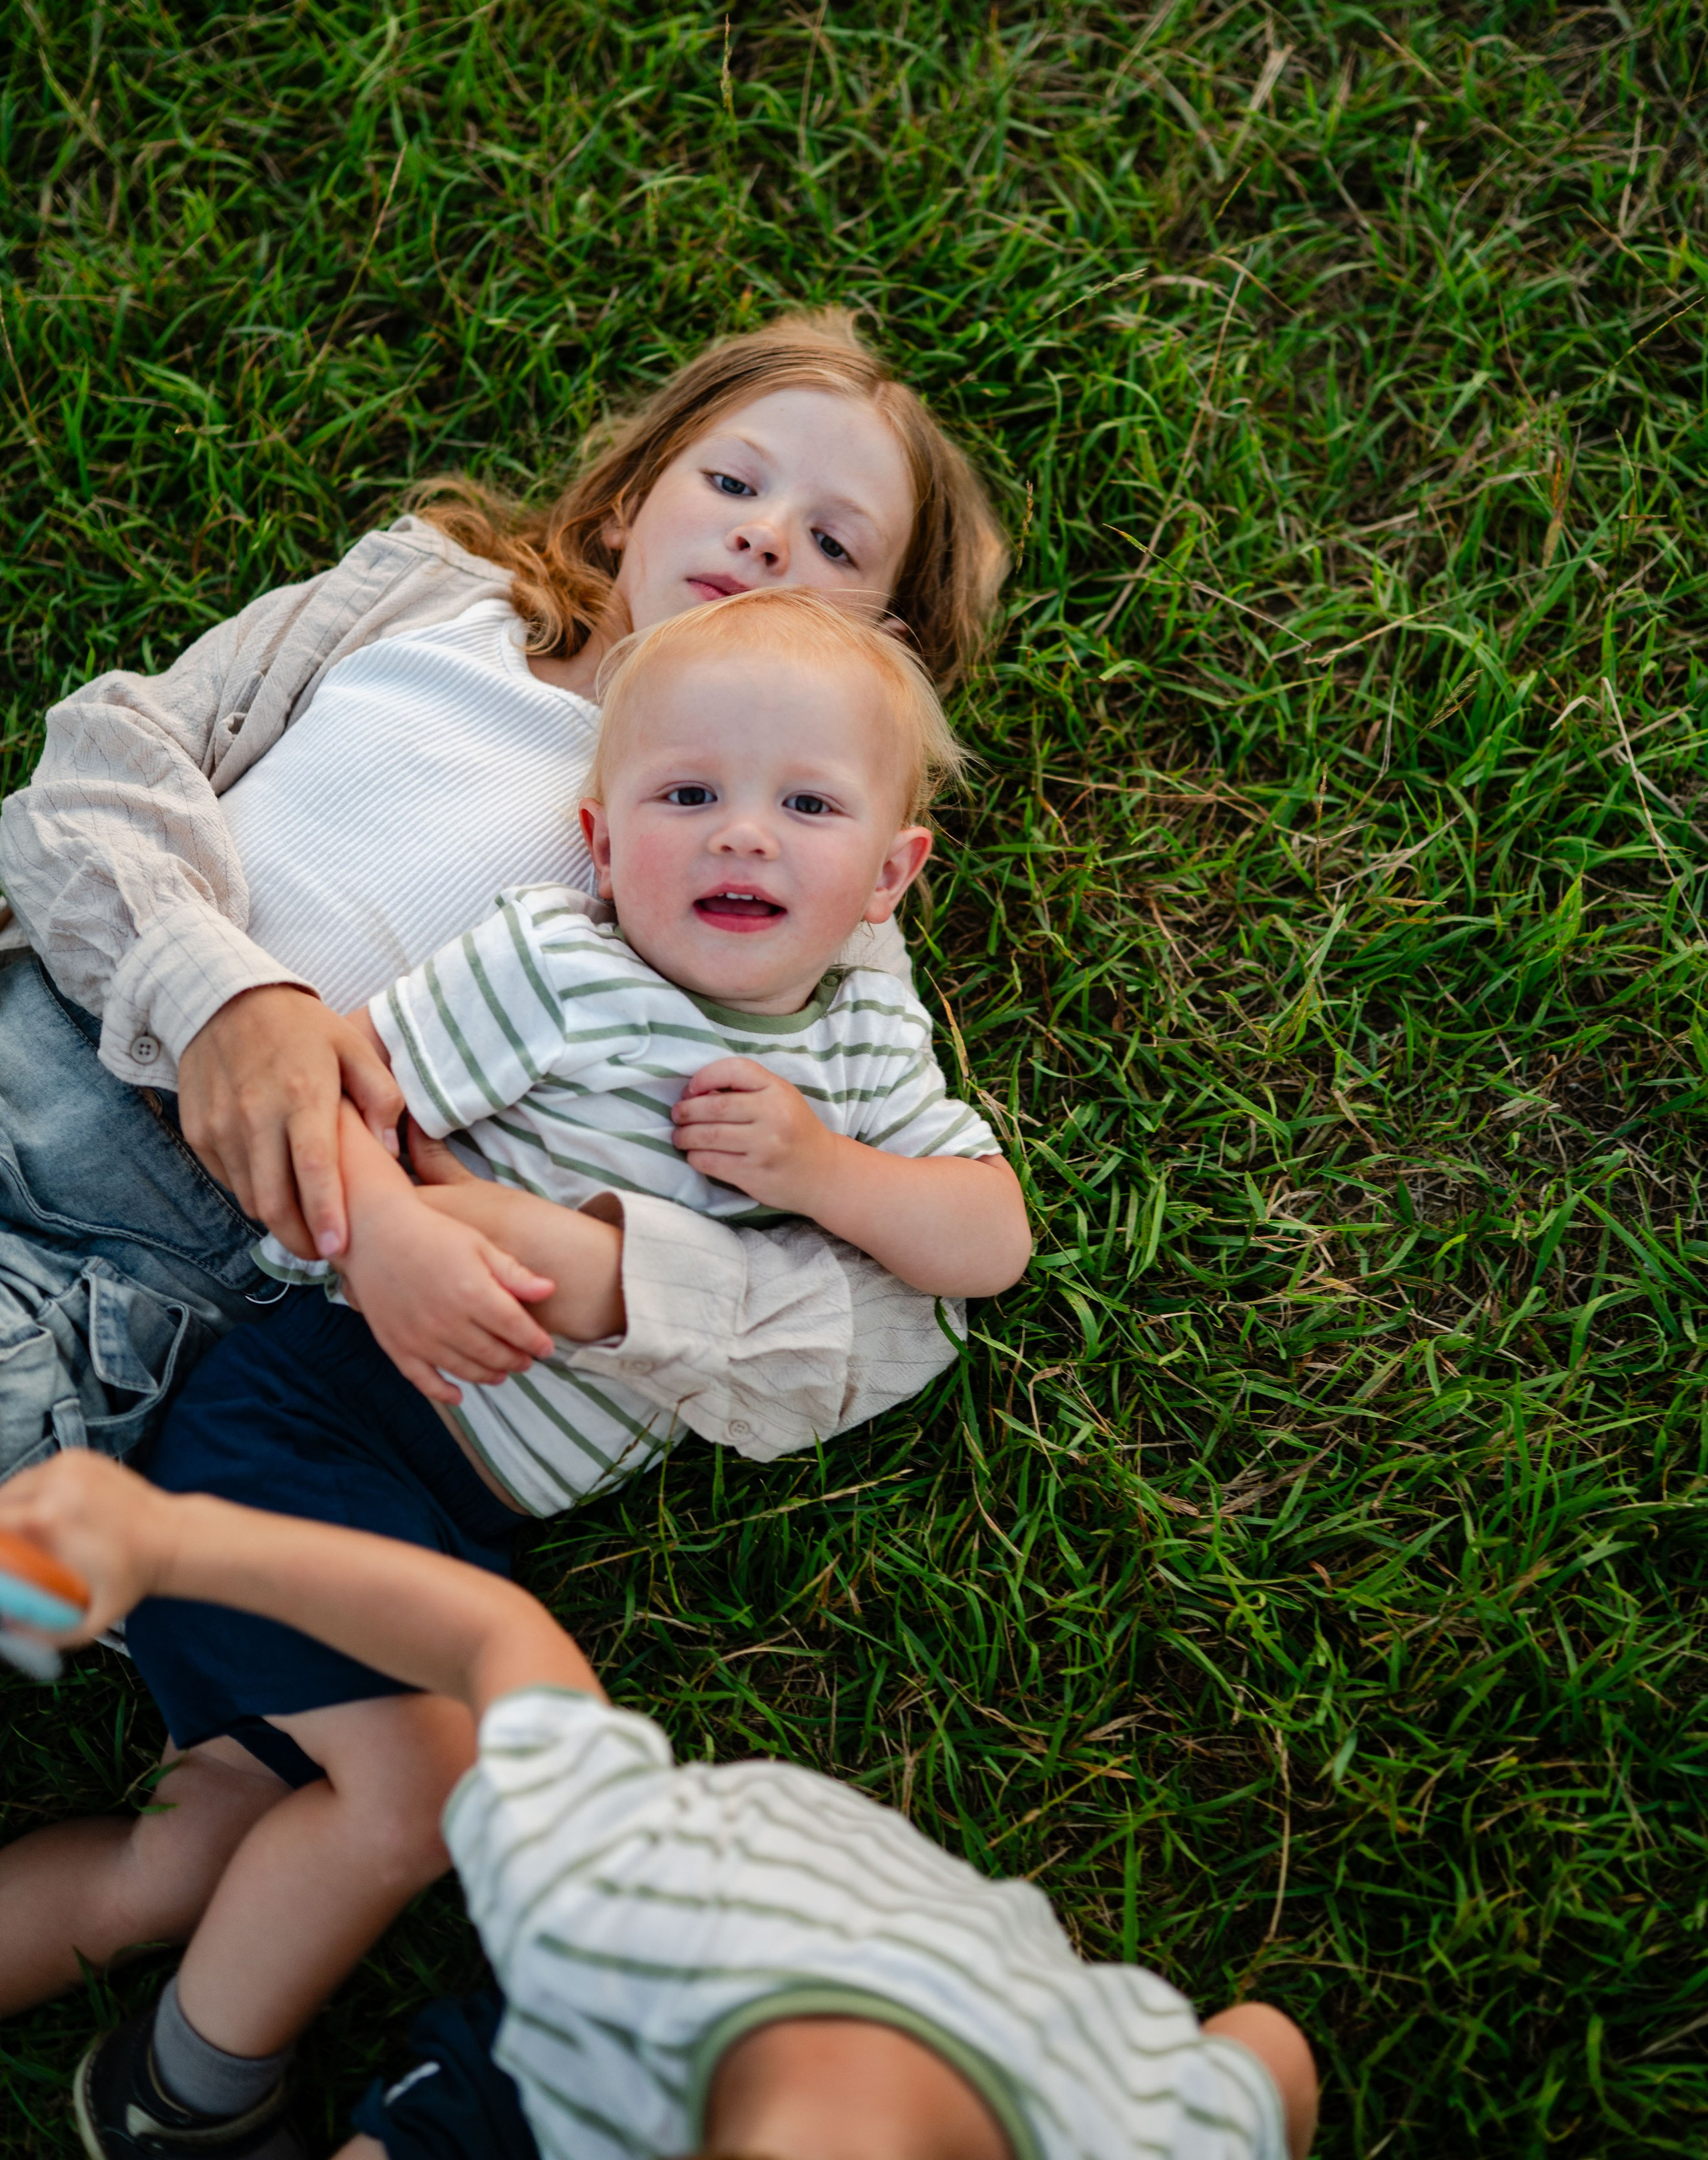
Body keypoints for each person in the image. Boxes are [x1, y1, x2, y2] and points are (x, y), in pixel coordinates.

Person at [0, 591, 1035, 2160]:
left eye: (805, 806)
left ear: (889, 878)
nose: (741, 838)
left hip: (453, 1517)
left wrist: (827, 1174)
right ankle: (186, 2102)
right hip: (305, 1428)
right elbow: (349, 1092)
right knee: (417, 1779)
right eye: (686, 796)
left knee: (199, 1836)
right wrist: (398, 1232)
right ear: (600, 841)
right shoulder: (555, 961)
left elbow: (986, 1242)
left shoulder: (860, 1067)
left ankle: (157, 2056)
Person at [0, 311, 1009, 1483]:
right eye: (733, 480)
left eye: (837, 547)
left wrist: (611, 1274)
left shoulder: (807, 896)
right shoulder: (431, 601)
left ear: (882, 643)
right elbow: (101, 759)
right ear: (628, 499)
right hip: (44, 1008)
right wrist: (222, 995)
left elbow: (894, 1313)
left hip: (173, 1252)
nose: (769, 536)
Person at [0, 1449, 1321, 2160]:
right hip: (607, 2031)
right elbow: (490, 1643)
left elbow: (1267, 2050)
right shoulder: (613, 1909)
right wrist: (173, 1541)